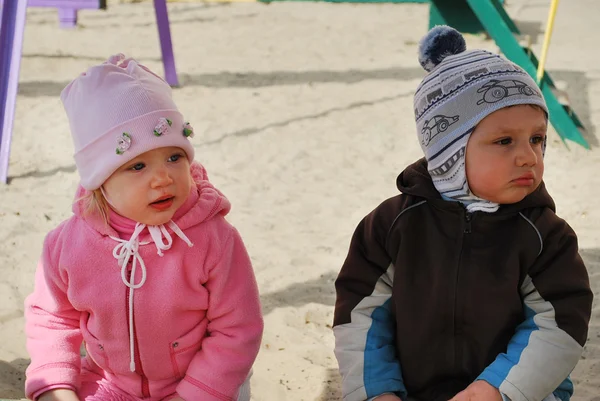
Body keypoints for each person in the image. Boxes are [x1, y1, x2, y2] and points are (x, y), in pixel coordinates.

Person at [333, 26, 593, 401]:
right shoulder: (392, 226)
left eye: (537, 138)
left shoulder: (544, 235)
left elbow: (559, 325)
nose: (529, 156)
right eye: (504, 141)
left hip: (516, 391)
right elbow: (360, 314)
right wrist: (376, 389)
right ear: (448, 153)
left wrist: (498, 388)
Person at [24, 54, 263, 401]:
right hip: (109, 383)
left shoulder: (215, 239)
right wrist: (55, 387)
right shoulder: (66, 245)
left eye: (174, 157)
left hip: (201, 384)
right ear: (99, 179)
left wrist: (193, 394)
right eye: (137, 166)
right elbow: (52, 320)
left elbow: (236, 329)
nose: (163, 177)